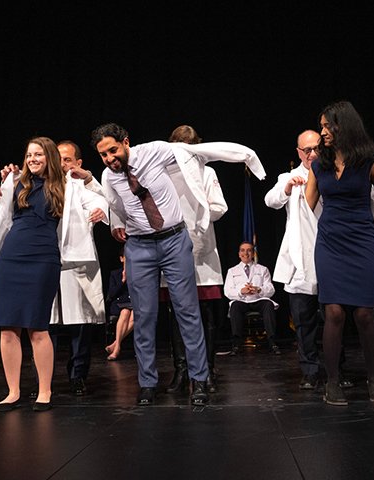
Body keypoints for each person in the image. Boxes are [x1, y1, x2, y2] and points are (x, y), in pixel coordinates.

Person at [93, 122, 265, 406]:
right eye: (103, 155)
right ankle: (147, 383)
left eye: (113, 151)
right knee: (145, 316)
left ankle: (199, 379)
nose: (110, 159)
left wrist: (246, 155)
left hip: (174, 240)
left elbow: (197, 152)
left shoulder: (154, 151)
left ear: (126, 142)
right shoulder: (109, 177)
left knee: (188, 312)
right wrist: (118, 226)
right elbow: (116, 206)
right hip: (140, 246)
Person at [0, 136, 102, 412]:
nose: (32, 159)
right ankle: (13, 391)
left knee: (38, 327)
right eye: (29, 155)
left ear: (49, 157)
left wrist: (100, 210)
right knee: (8, 327)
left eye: (38, 154)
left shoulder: (66, 184)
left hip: (43, 260)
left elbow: (97, 199)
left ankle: (45, 391)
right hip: (10, 259)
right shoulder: (15, 183)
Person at [303, 100, 374, 406]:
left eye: (328, 126)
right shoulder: (318, 164)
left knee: (364, 313)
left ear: (345, 125)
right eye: (322, 126)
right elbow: (308, 204)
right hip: (330, 242)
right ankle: (331, 382)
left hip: (362, 241)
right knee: (334, 311)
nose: (323, 132)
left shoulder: (369, 162)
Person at [164, 125, 227, 394]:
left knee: (206, 315)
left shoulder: (206, 172)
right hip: (170, 251)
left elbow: (219, 207)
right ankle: (181, 370)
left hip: (202, 253)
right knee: (176, 316)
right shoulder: (162, 173)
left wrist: (202, 216)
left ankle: (208, 370)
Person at [48, 140, 108, 396]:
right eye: (58, 159)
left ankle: (77, 375)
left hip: (77, 262)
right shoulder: (44, 185)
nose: (62, 165)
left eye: (68, 160)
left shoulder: (82, 185)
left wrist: (98, 206)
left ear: (78, 163)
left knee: (80, 322)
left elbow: (106, 201)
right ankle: (44, 378)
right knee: (45, 323)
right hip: (48, 260)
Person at [265, 129, 323, 389]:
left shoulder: (332, 172)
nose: (312, 154)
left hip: (328, 255)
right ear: (299, 152)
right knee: (304, 320)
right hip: (301, 260)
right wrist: (287, 188)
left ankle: (336, 368)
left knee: (336, 318)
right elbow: (271, 201)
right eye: (307, 150)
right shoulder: (290, 176)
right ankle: (310, 370)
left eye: (316, 148)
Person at [224, 241, 280, 355]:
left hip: (258, 299)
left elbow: (271, 289)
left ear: (253, 253)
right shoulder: (232, 271)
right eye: (243, 250)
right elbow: (227, 291)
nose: (246, 253)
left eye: (249, 250)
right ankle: (236, 344)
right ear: (239, 254)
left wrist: (258, 290)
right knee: (235, 306)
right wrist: (241, 291)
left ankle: (272, 342)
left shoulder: (263, 269)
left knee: (268, 305)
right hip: (242, 300)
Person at [105, 247, 134, 360]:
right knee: (125, 312)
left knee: (136, 315)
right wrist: (122, 281)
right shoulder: (115, 274)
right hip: (119, 303)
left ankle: (116, 344)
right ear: (121, 259)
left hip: (133, 302)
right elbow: (111, 294)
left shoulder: (136, 273)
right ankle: (117, 348)